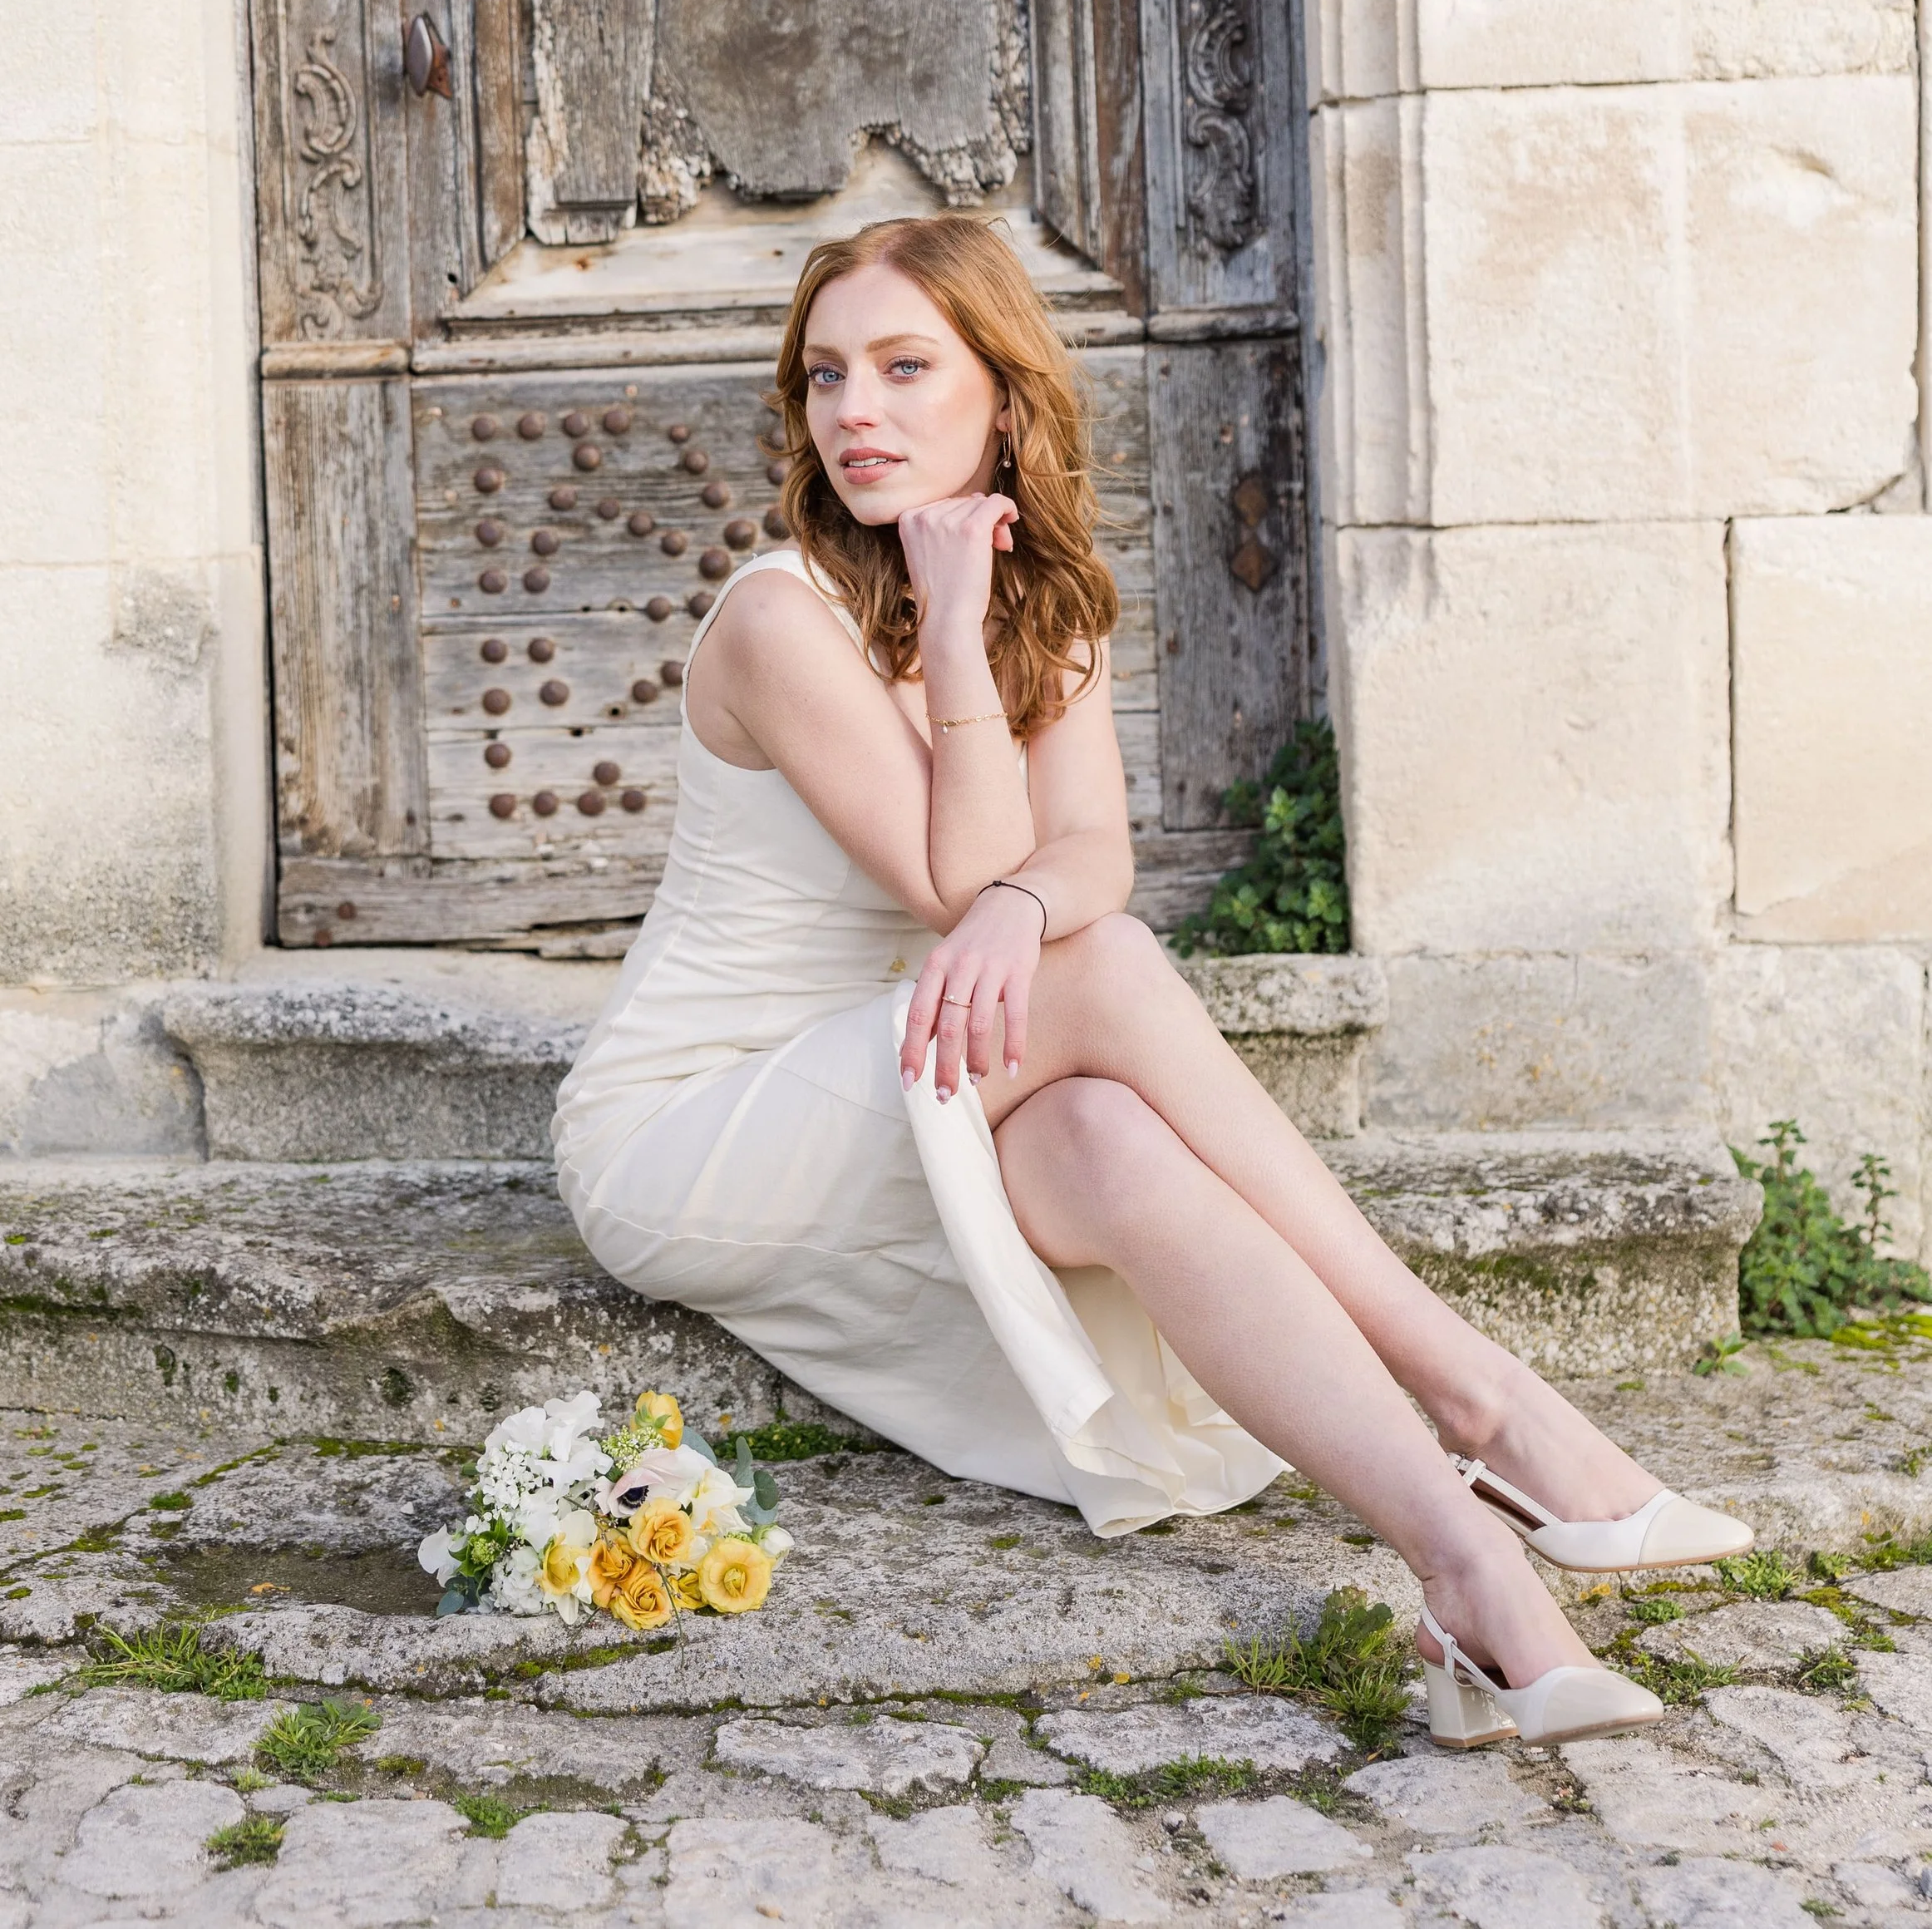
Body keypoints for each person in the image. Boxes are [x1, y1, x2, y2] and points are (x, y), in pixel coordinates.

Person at [552, 215, 1751, 1749]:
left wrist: (1017, 882)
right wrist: (971, 686)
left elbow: (1089, 859)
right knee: (1097, 970)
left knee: (1113, 1137)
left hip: (926, 1068)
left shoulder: (1046, 597)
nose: (854, 409)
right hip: (694, 1129)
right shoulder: (781, 616)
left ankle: (1469, 1573)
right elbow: (961, 878)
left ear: (1002, 391)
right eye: (825, 374)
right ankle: (1479, 1398)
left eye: (906, 366)